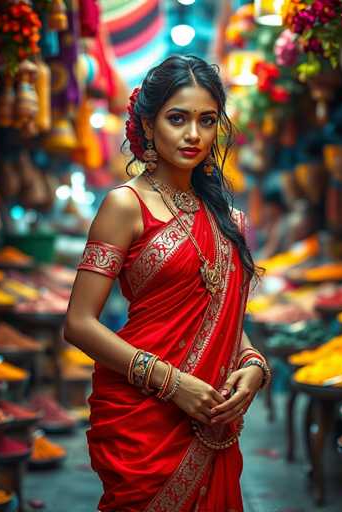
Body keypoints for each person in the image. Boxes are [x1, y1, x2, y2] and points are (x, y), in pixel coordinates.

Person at [64, 55, 271, 512]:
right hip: (142, 417)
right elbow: (78, 323)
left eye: (207, 120)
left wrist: (254, 363)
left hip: (209, 415)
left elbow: (224, 315)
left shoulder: (228, 216)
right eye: (178, 119)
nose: (193, 134)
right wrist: (173, 384)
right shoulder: (125, 205)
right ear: (149, 125)